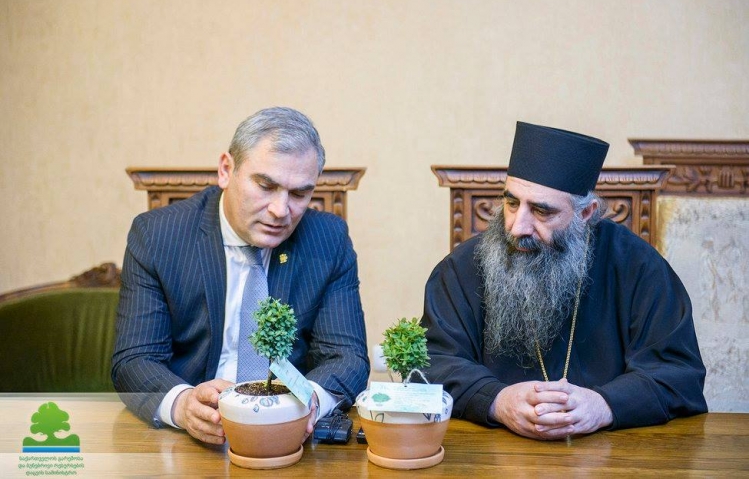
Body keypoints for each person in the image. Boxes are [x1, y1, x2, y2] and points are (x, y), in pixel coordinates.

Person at [421, 121, 707, 440]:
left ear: (586, 213)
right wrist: (497, 401)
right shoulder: (462, 268)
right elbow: (432, 363)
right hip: (495, 452)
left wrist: (605, 405)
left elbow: (678, 374)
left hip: (611, 455)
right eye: (512, 203)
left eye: (541, 211)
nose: (517, 227)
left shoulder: (638, 266)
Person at [112, 107, 370, 445]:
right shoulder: (158, 236)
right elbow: (134, 359)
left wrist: (310, 402)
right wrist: (183, 405)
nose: (280, 210)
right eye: (265, 186)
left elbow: (347, 357)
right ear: (226, 170)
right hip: (189, 441)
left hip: (289, 436)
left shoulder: (328, 240)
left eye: (299, 194)